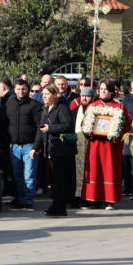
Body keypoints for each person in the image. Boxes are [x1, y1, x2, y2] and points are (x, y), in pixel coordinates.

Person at [81, 80, 129, 209]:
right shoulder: (93, 106)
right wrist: (88, 131)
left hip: (111, 146)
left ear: (112, 92)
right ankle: (93, 199)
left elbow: (126, 126)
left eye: (105, 89)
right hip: (95, 144)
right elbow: (85, 124)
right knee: (94, 170)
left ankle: (109, 200)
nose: (102, 91)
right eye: (101, 88)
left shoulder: (119, 107)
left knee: (110, 171)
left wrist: (115, 134)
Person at [31, 84, 76, 217]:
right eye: (43, 94)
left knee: (59, 180)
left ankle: (59, 207)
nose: (44, 96)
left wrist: (50, 128)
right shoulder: (46, 109)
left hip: (61, 150)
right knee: (55, 181)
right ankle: (57, 206)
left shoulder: (61, 107)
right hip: (51, 149)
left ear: (55, 95)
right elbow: (41, 130)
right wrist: (35, 147)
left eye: (47, 93)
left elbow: (68, 125)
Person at [6, 78, 41, 210]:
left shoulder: (35, 105)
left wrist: (37, 146)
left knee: (29, 175)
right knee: (17, 176)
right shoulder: (9, 105)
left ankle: (27, 201)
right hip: (14, 146)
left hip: (29, 146)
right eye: (18, 89)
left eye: (23, 89)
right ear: (14, 90)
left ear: (27, 89)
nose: (21, 91)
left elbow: (40, 127)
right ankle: (20, 200)